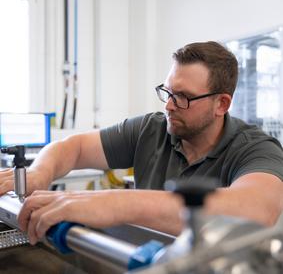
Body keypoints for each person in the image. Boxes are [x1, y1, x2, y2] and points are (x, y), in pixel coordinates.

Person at [1, 41, 283, 245]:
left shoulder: (256, 149)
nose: (169, 106)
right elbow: (72, 148)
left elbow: (254, 210)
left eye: (182, 97)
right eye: (167, 92)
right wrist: (40, 173)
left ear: (221, 104)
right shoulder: (152, 129)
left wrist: (114, 205)